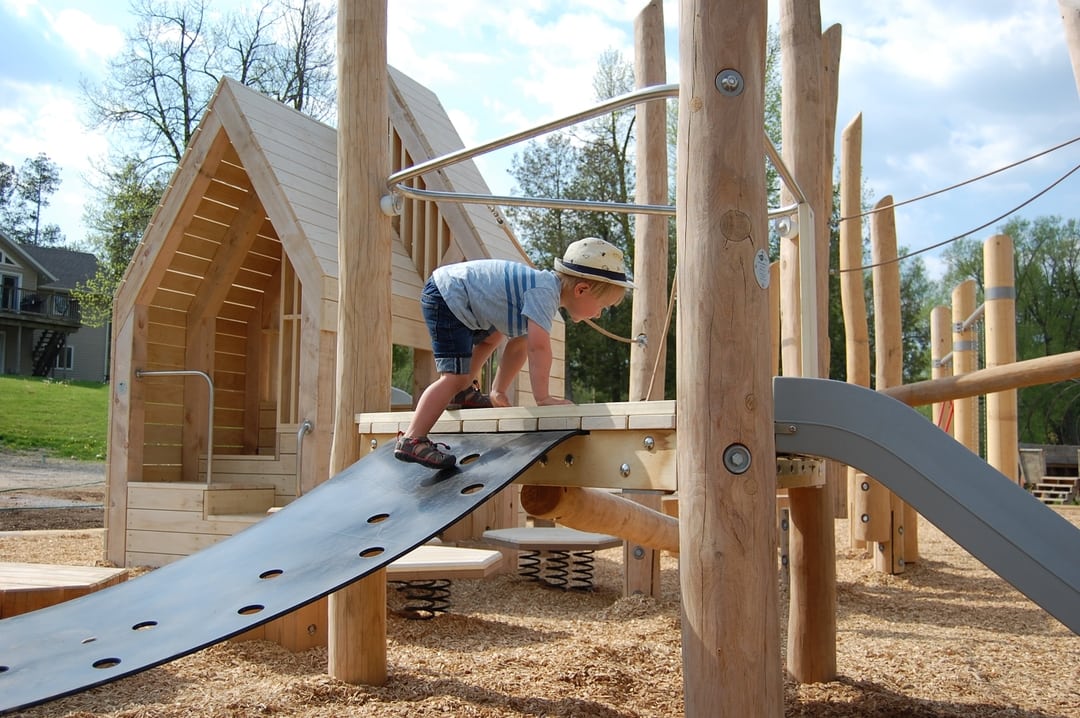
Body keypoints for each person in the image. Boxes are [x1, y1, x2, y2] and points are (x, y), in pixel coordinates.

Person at [394, 237, 634, 469]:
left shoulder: (538, 293)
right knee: (453, 377)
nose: (598, 314)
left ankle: (462, 392)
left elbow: (518, 346)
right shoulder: (543, 293)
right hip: (448, 295)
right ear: (581, 289)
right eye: (602, 306)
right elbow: (538, 348)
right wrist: (543, 398)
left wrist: (498, 390)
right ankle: (413, 439)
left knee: (492, 337)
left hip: (463, 298)